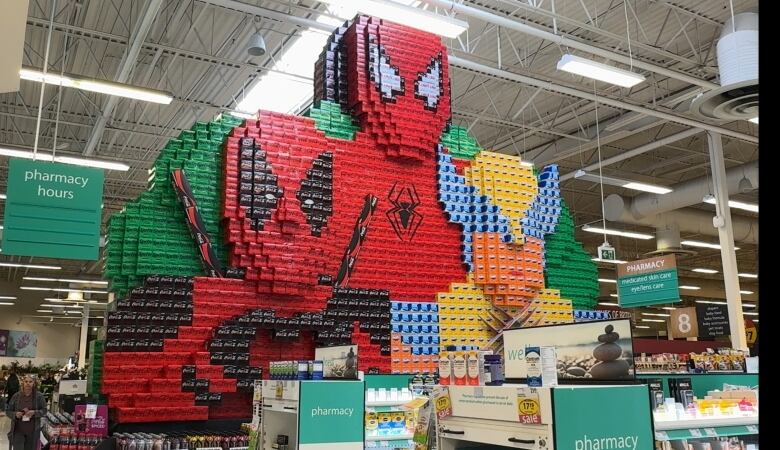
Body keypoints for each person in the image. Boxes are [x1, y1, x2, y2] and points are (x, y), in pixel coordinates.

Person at [5, 374, 48, 450]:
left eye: (30, 381)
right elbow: (8, 411)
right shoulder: (16, 396)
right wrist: (15, 414)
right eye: (26, 381)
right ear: (23, 383)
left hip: (33, 432)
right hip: (18, 431)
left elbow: (44, 410)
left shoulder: (39, 396)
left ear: (34, 383)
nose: (28, 383)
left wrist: (34, 412)